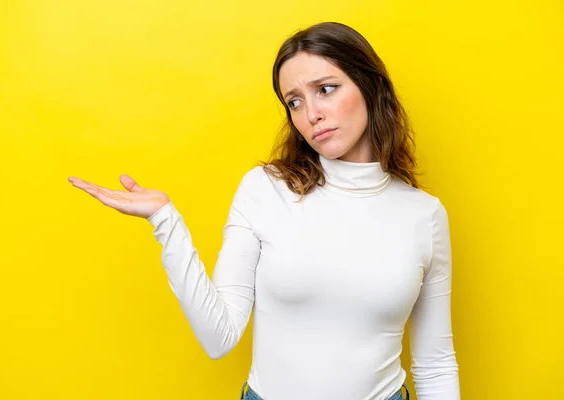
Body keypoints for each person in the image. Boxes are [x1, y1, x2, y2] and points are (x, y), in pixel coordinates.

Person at [68, 21, 460, 400]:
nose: (311, 114)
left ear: (371, 86)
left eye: (326, 89)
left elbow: (436, 363)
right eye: (295, 101)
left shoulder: (423, 216)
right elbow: (219, 336)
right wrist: (165, 221)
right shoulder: (265, 189)